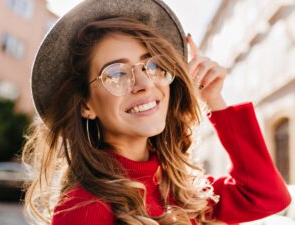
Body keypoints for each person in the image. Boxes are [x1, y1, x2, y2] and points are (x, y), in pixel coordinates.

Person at [22, 0, 291, 224]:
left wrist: (214, 100)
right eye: (116, 74)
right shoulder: (84, 209)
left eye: (151, 65)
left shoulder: (181, 191)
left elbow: (267, 195)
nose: (144, 83)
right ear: (86, 106)